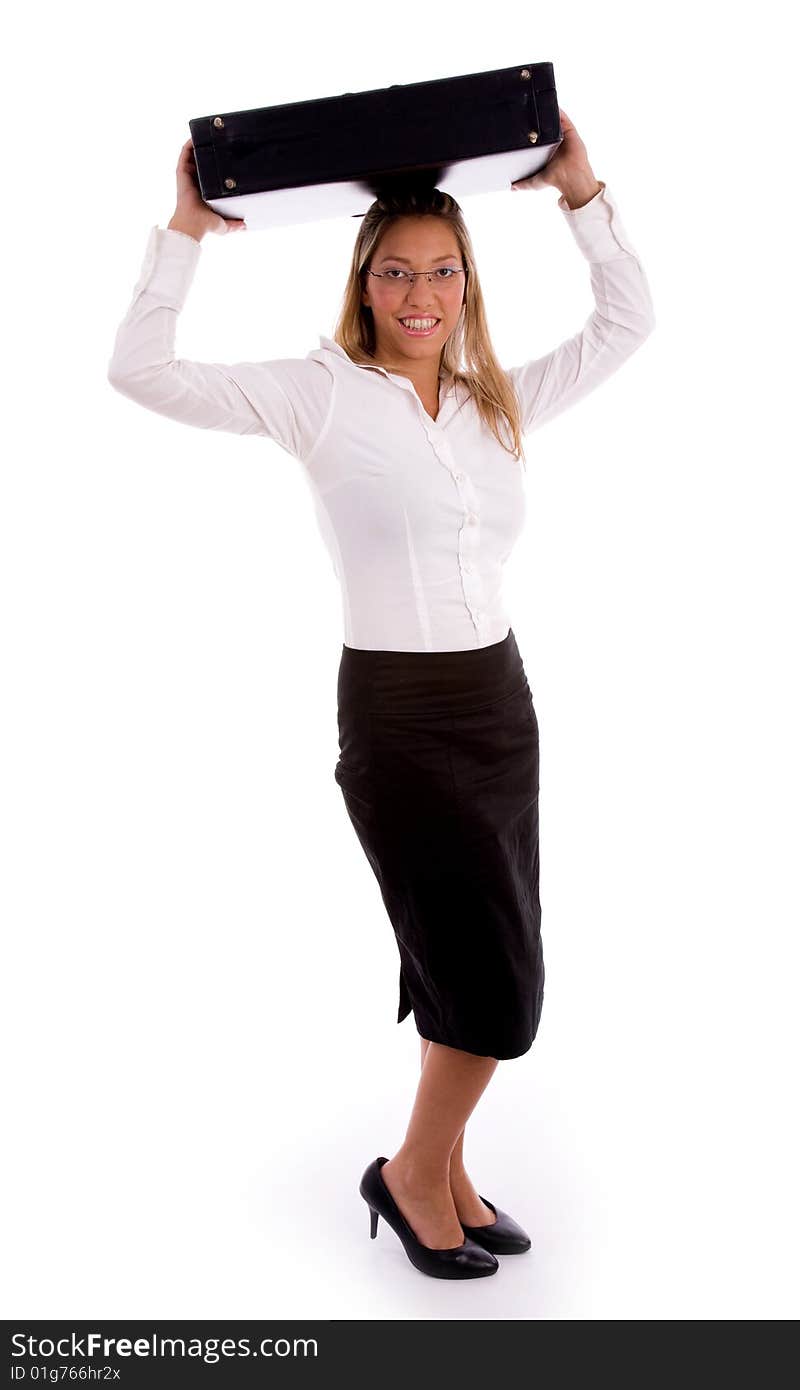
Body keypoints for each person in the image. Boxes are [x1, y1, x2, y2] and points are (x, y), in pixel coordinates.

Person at [107, 108, 655, 1281]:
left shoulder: (493, 399)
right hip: (400, 721)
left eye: (443, 271)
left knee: (472, 959)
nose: (422, 293)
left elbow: (626, 322)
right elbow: (137, 370)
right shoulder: (315, 395)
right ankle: (410, 1175)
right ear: (364, 283)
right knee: (493, 982)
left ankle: (446, 1171)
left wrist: (580, 192)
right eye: (397, 270)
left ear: (467, 283)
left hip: (501, 704)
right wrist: (186, 231)